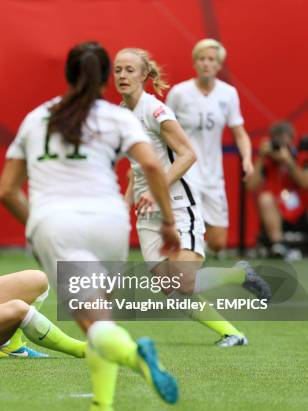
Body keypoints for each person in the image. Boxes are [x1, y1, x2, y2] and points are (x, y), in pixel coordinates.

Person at [0, 41, 181, 411]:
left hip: (57, 223)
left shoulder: (37, 117)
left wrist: (38, 225)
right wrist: (167, 221)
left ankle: (136, 357)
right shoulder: (117, 117)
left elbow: (7, 190)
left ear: (66, 74)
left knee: (95, 325)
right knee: (102, 318)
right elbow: (150, 163)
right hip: (111, 222)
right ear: (103, 78)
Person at [115, 48, 270, 348]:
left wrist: (154, 188)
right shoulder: (120, 114)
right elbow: (137, 168)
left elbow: (188, 155)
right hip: (147, 213)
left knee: (183, 282)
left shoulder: (156, 111)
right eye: (118, 69)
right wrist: (125, 203)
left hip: (177, 204)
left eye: (129, 70)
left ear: (145, 76)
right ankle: (232, 333)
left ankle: (236, 278)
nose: (122, 75)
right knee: (170, 288)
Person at [166, 38, 253, 256]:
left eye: (211, 60)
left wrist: (247, 159)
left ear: (218, 65)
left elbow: (240, 133)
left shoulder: (228, 94)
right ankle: (186, 262)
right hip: (186, 171)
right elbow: (163, 129)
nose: (206, 63)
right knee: (187, 231)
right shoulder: (179, 93)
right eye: (201, 59)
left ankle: (196, 250)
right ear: (194, 63)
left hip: (213, 175)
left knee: (218, 243)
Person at [246, 121, 308, 258]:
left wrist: (289, 162)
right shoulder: (266, 161)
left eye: (284, 142)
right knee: (265, 199)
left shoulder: (300, 157)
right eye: (277, 142)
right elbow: (250, 186)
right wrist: (261, 158)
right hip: (276, 208)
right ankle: (278, 245)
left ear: (292, 140)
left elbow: (305, 183)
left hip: (300, 208)